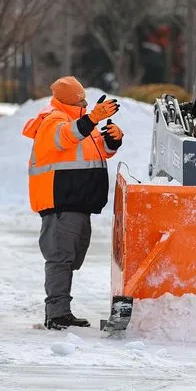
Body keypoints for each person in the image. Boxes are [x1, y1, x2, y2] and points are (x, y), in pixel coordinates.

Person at [21, 76, 124, 330]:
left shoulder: (78, 122)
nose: (85, 104)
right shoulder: (53, 120)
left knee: (71, 258)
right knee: (60, 258)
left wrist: (112, 140)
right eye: (80, 101)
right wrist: (92, 119)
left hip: (78, 202)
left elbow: (98, 151)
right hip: (61, 202)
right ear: (67, 101)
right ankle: (57, 314)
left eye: (85, 100)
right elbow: (65, 137)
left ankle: (61, 311)